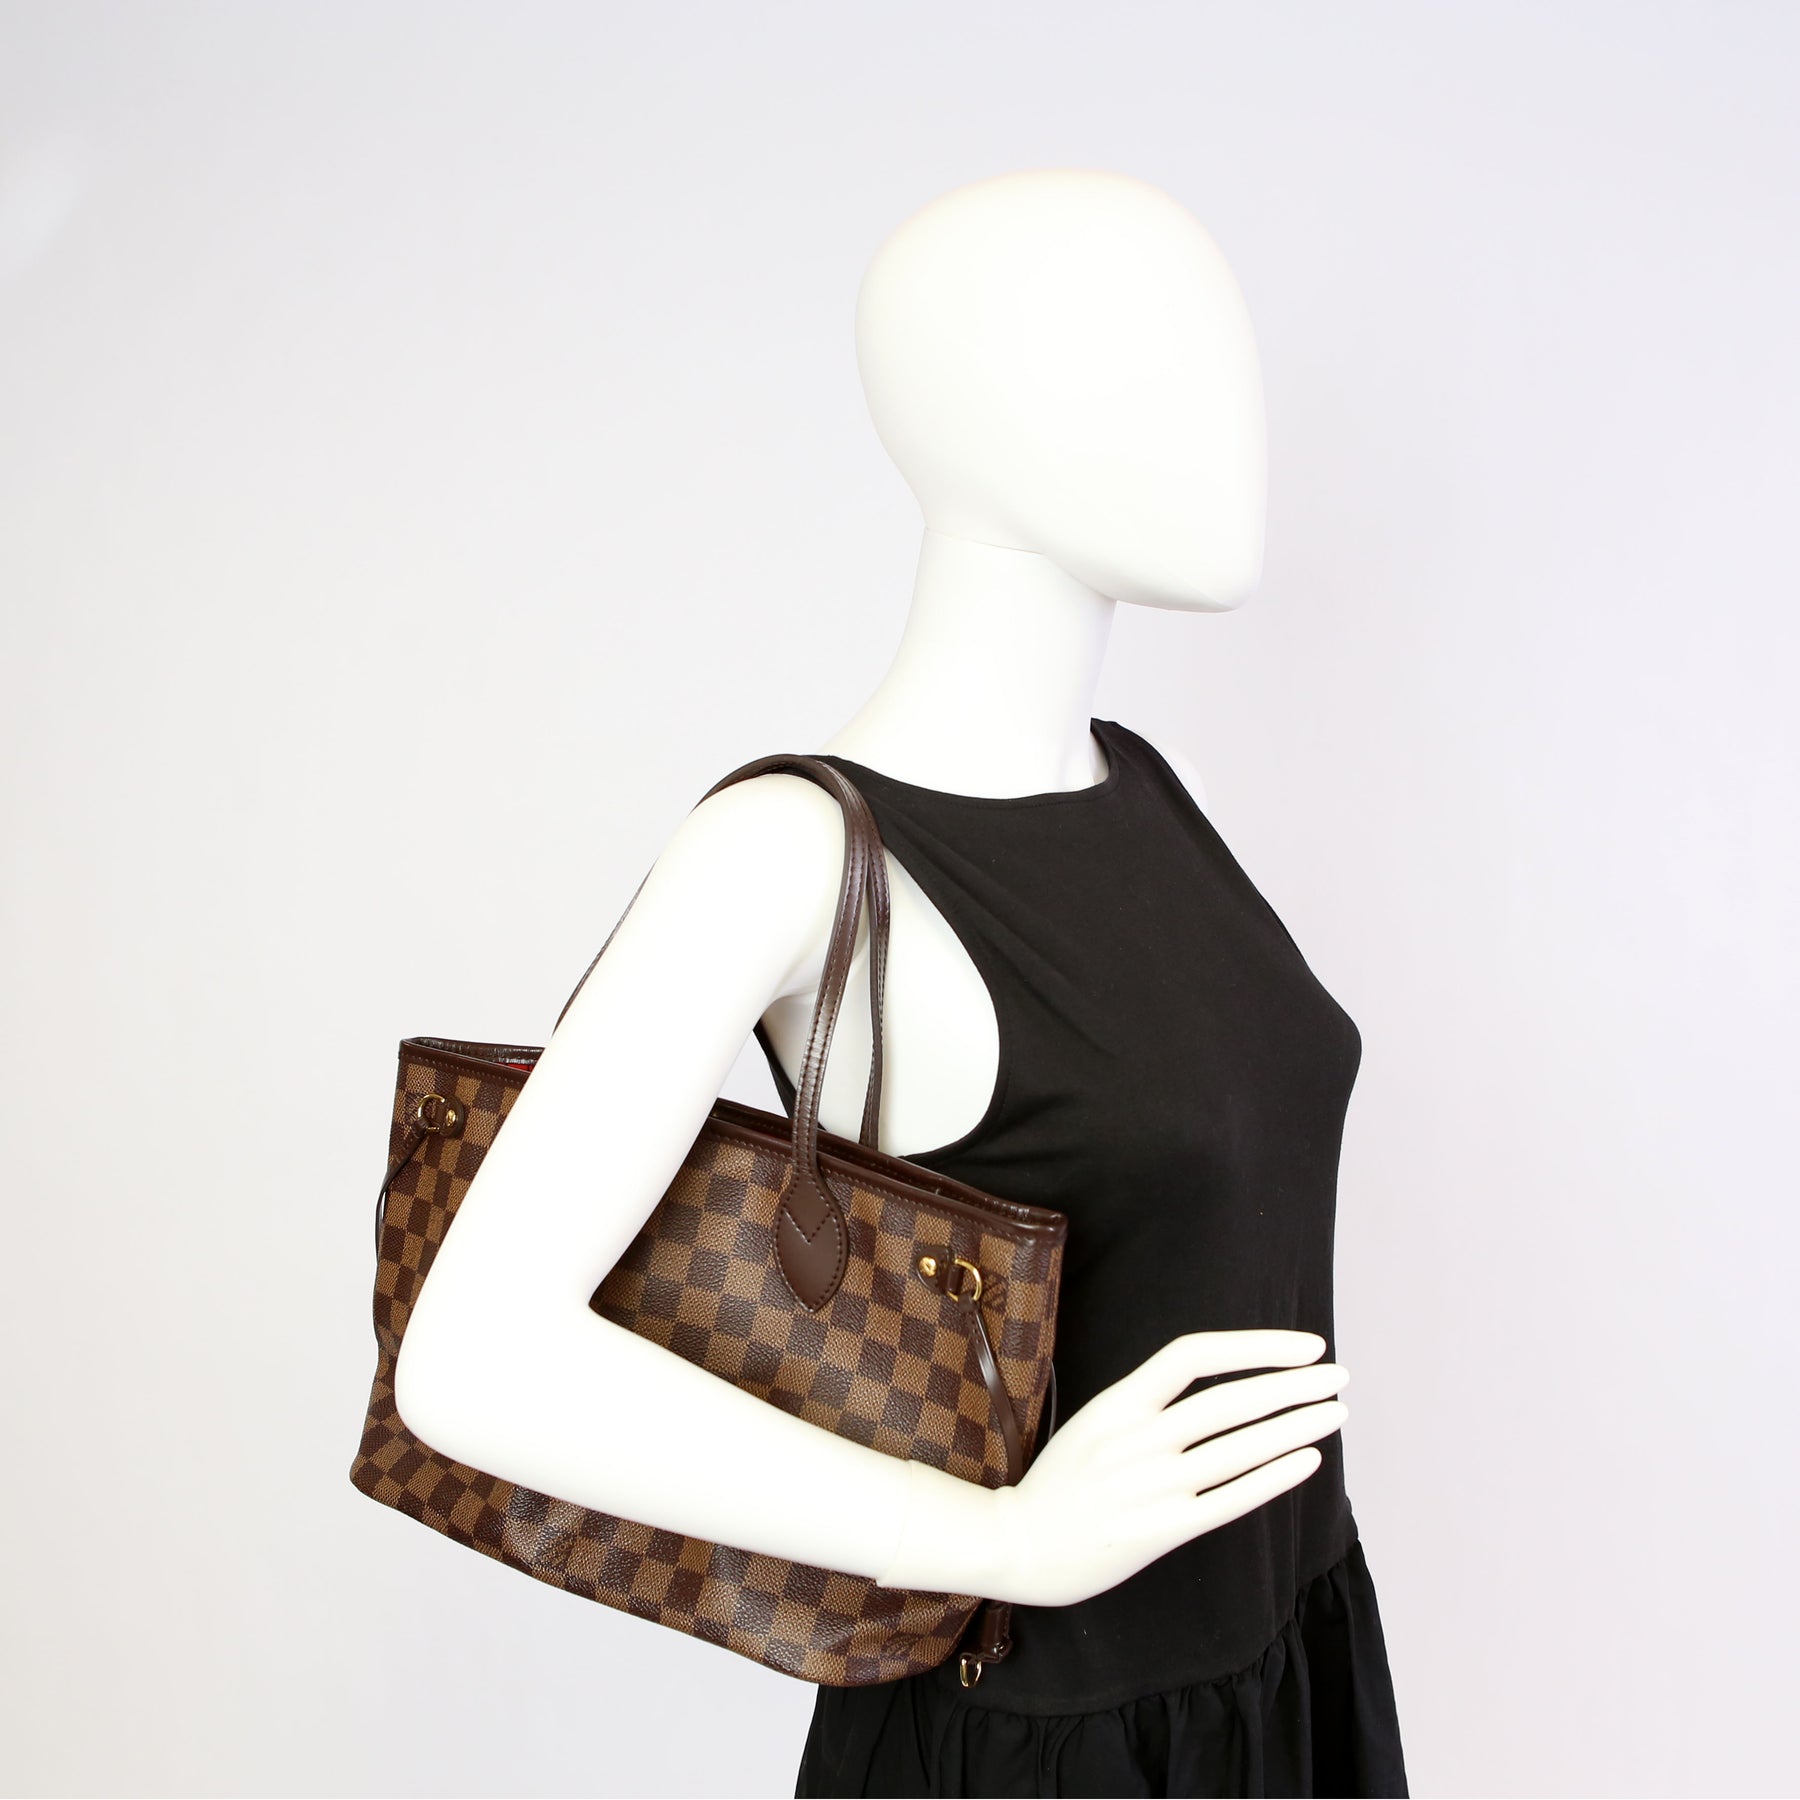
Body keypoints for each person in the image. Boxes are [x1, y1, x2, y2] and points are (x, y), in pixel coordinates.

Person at [394, 167, 1407, 1797]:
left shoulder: (1142, 785)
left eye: (1232, 370)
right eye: (1144, 371)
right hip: (1047, 1742)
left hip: (1287, 1664)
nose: (1232, 434)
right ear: (967, 416)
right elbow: (470, 1361)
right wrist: (1000, 1540)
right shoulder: (788, 854)